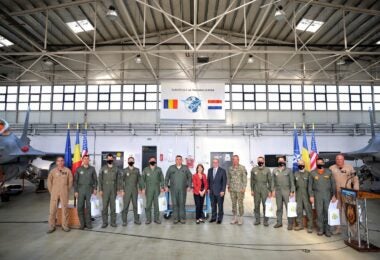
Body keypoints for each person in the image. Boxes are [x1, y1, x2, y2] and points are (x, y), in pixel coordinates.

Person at [329, 154, 359, 235]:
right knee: (337, 211)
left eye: (341, 159)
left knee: (350, 211)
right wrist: (332, 194)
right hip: (336, 194)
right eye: (337, 159)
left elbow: (355, 179)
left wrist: (356, 190)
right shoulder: (331, 168)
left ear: (343, 159)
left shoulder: (350, 167)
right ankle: (338, 228)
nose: (339, 161)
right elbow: (329, 182)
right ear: (335, 160)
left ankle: (353, 230)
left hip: (347, 193)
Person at [309, 158, 337, 237]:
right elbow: (310, 186)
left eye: (321, 162)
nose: (320, 164)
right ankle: (320, 229)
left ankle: (327, 230)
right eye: (318, 163)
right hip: (317, 195)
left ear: (323, 163)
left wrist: (334, 195)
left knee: (327, 212)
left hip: (327, 195)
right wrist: (311, 195)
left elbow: (333, 184)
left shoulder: (329, 172)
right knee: (319, 212)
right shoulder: (312, 173)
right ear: (316, 163)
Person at [47, 156, 73, 233]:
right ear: (56, 162)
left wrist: (66, 190)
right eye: (58, 161)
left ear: (64, 162)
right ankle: (52, 226)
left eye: (62, 161)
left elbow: (70, 182)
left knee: (65, 209)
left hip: (64, 192)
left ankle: (65, 226)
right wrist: (52, 191)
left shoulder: (67, 171)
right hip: (54, 192)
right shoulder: (53, 171)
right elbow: (49, 182)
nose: (60, 162)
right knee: (52, 210)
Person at [165, 155, 192, 224]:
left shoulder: (185, 168)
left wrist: (189, 185)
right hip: (173, 189)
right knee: (175, 203)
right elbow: (167, 177)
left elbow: (190, 176)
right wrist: (166, 186)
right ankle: (176, 218)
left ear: (182, 160)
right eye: (177, 159)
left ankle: (182, 218)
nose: (178, 160)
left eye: (180, 159)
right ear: (175, 160)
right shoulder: (171, 168)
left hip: (182, 189)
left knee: (182, 203)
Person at [74, 155, 98, 230]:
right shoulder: (78, 169)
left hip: (89, 191)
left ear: (89, 160)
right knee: (80, 207)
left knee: (89, 207)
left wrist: (95, 189)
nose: (86, 160)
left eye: (88, 159)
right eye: (85, 159)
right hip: (80, 191)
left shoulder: (92, 169)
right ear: (82, 160)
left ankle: (88, 224)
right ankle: (82, 224)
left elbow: (95, 180)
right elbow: (75, 181)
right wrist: (76, 191)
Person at [271, 156, 295, 230]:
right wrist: (273, 190)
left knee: (288, 208)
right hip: (278, 191)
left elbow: (292, 181)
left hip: (287, 191)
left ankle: (290, 224)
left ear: (284, 161)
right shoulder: (275, 170)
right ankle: (279, 222)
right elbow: (272, 182)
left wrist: (292, 191)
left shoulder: (289, 170)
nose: (281, 162)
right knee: (279, 208)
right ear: (278, 162)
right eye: (279, 161)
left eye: (282, 160)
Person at [99, 153, 120, 228]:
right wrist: (100, 189)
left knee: (113, 206)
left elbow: (118, 180)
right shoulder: (103, 168)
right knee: (104, 207)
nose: (110, 160)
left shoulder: (116, 168)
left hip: (113, 189)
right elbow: (100, 180)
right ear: (107, 159)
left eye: (111, 159)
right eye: (109, 159)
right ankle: (105, 222)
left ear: (113, 159)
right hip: (105, 189)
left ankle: (113, 222)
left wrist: (118, 189)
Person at [120, 156, 143, 226]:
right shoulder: (124, 170)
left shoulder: (137, 170)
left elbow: (140, 180)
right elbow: (121, 181)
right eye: (129, 160)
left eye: (132, 160)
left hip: (135, 190)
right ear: (127, 162)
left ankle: (136, 219)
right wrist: (122, 190)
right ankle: (124, 221)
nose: (131, 162)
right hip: (126, 190)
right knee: (125, 206)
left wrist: (140, 188)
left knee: (135, 206)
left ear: (134, 161)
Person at [141, 156, 165, 224]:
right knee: (148, 205)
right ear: (149, 161)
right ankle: (148, 219)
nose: (152, 161)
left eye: (154, 160)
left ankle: (156, 219)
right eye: (151, 160)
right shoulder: (145, 170)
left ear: (155, 161)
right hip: (148, 190)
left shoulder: (159, 169)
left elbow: (162, 179)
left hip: (157, 189)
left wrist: (162, 187)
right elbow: (142, 179)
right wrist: (142, 188)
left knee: (157, 205)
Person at [250, 156, 272, 226]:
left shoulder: (267, 170)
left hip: (264, 189)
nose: (260, 162)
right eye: (259, 161)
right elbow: (252, 181)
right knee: (256, 205)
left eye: (261, 161)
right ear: (257, 162)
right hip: (256, 189)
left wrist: (270, 191)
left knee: (266, 205)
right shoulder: (253, 169)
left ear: (264, 161)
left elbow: (270, 181)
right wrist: (252, 190)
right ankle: (257, 220)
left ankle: (266, 221)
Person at [294, 159, 313, 233]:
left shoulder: (308, 174)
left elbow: (311, 186)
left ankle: (310, 226)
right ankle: (300, 225)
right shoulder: (295, 173)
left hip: (307, 194)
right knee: (299, 210)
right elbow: (294, 184)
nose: (300, 165)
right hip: (298, 194)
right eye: (299, 164)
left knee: (308, 210)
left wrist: (311, 195)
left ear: (304, 164)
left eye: (302, 163)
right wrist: (292, 192)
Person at [227, 155, 247, 225]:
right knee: (233, 204)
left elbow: (244, 178)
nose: (235, 161)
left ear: (238, 160)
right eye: (233, 159)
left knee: (240, 204)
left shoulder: (242, 168)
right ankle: (235, 218)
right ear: (232, 160)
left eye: (236, 159)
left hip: (240, 189)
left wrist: (244, 187)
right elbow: (229, 178)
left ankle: (241, 218)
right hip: (232, 189)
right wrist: (228, 186)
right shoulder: (230, 168)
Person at [208, 158, 227, 224]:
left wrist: (223, 191)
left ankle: (219, 219)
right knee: (213, 205)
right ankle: (213, 218)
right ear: (212, 163)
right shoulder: (209, 170)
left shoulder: (222, 171)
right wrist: (208, 189)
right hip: (212, 192)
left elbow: (224, 182)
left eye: (216, 162)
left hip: (219, 192)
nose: (215, 163)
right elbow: (209, 181)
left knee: (220, 206)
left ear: (218, 163)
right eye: (213, 162)